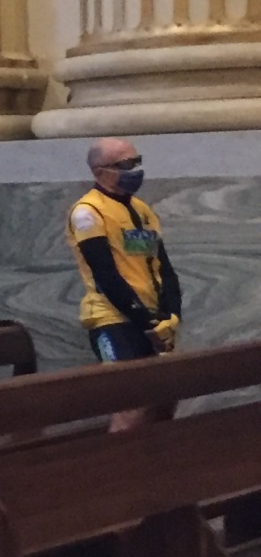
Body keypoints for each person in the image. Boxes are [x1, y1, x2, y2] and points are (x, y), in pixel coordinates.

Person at [68, 137, 181, 435]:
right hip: (114, 320)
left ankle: (154, 472)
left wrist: (171, 315)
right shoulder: (87, 212)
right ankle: (115, 476)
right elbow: (106, 274)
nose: (136, 170)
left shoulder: (142, 210)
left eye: (137, 161)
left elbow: (164, 268)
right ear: (98, 172)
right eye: (126, 165)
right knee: (130, 408)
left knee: (164, 402)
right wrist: (146, 322)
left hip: (154, 319)